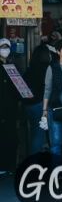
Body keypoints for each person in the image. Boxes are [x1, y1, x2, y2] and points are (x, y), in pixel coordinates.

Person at [23, 43, 51, 156]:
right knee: (39, 134)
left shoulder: (29, 70)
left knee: (35, 133)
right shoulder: (47, 69)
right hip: (40, 104)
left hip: (28, 104)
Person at [0, 38, 22, 174]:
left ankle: (9, 165)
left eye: (7, 46)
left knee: (11, 136)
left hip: (11, 108)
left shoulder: (12, 66)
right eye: (2, 46)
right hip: (2, 108)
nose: (5, 49)